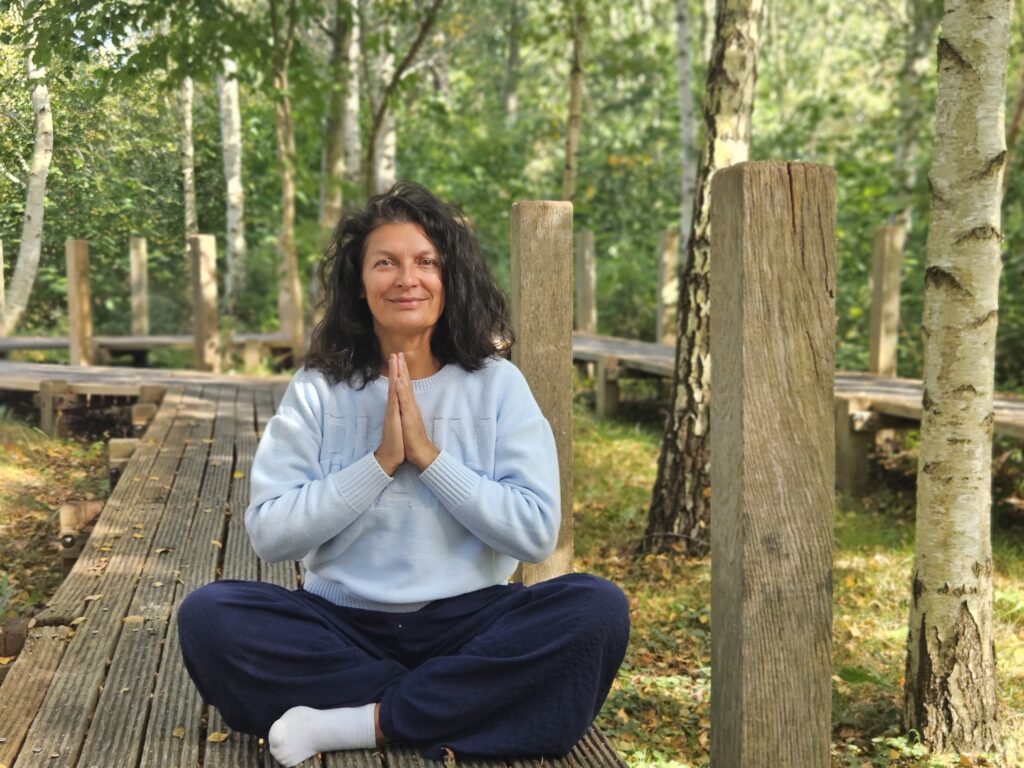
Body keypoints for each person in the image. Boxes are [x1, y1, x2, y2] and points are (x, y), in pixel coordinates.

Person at [177, 181, 630, 767]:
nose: (406, 279)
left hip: (471, 620)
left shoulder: (496, 384)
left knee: (594, 609)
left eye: (426, 262)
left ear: (451, 280)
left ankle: (360, 720)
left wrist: (431, 458)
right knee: (211, 617)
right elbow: (269, 534)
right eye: (385, 262)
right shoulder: (319, 389)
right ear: (359, 285)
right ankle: (458, 700)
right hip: (341, 623)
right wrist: (380, 462)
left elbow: (536, 533)